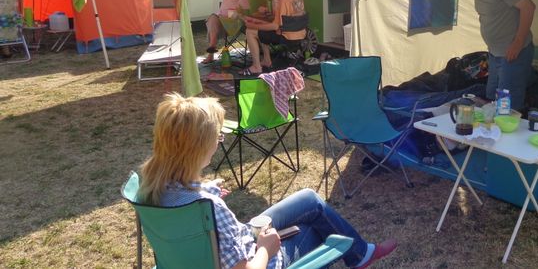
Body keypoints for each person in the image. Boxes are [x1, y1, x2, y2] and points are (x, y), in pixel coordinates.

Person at [137, 93, 397, 269]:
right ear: (199, 147)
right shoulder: (209, 208)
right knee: (316, 228)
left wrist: (207, 188)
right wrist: (265, 248)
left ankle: (362, 254)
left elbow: (189, 202)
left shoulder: (151, 185)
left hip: (226, 246)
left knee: (309, 199)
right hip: (258, 257)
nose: (218, 143)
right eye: (217, 138)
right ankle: (360, 255)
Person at [448, 0, 536, 112]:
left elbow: (528, 7)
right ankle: (493, 126)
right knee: (490, 97)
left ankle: (509, 125)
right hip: (495, 52)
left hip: (513, 52)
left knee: (506, 104)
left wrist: (518, 42)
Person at [241, 0, 306, 75]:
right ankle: (266, 60)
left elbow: (275, 26)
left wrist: (252, 25)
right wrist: (259, 23)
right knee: (261, 31)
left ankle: (256, 67)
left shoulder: (283, 1)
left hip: (287, 37)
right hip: (300, 34)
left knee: (250, 31)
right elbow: (285, 20)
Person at [203, 0, 250, 64]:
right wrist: (220, 16)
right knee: (213, 18)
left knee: (232, 15)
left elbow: (245, 11)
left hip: (235, 23)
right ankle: (212, 46)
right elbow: (221, 11)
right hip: (223, 22)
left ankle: (211, 52)